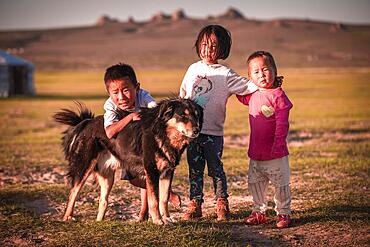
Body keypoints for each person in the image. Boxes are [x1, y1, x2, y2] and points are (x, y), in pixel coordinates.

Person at [179, 24, 262, 221]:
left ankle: (221, 203)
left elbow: (248, 86)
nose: (208, 49)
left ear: (222, 49)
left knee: (216, 168)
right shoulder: (193, 69)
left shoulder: (226, 74)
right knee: (194, 168)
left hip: (213, 132)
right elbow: (183, 95)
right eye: (204, 44)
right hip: (192, 132)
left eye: (214, 46)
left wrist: (268, 81)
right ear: (198, 45)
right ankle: (195, 203)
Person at [103, 63, 181, 221]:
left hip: (145, 143)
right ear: (108, 93)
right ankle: (166, 193)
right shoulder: (110, 105)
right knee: (134, 179)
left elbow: (156, 112)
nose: (121, 97)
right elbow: (110, 132)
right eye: (115, 92)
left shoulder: (143, 96)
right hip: (127, 145)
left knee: (148, 172)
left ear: (137, 88)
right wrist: (130, 117)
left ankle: (143, 213)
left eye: (126, 90)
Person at [236, 51, 293, 228]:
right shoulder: (253, 94)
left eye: (265, 69)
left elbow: (282, 125)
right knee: (256, 183)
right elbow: (240, 95)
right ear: (250, 76)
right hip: (256, 152)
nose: (261, 74)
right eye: (256, 72)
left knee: (280, 184)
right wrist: (240, 85)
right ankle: (259, 212)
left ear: (275, 71)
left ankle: (283, 213)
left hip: (275, 153)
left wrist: (278, 145)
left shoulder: (279, 96)